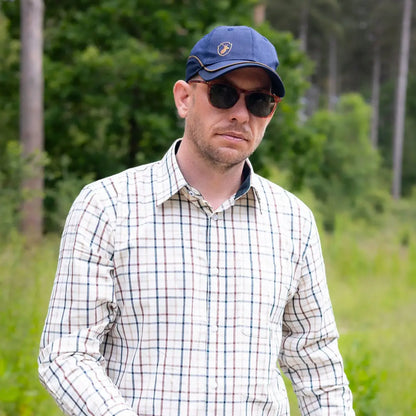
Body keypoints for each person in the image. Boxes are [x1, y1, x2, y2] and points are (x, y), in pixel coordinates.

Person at [39, 25, 355, 415]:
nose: (241, 115)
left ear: (269, 113)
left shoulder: (293, 222)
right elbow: (66, 353)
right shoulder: (107, 207)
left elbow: (317, 365)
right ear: (184, 98)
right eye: (223, 93)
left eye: (258, 102)